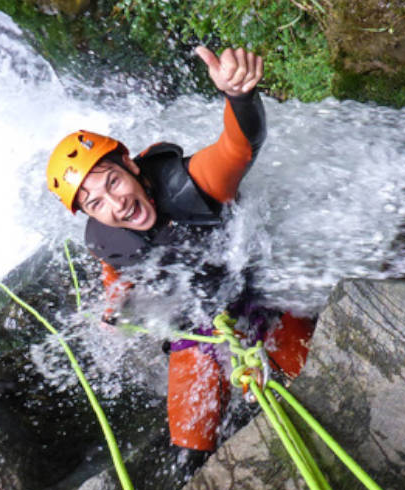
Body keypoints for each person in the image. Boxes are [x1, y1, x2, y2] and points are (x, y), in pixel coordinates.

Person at [46, 46, 311, 451]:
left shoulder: (193, 185)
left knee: (313, 385)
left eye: (113, 182)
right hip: (200, 321)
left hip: (261, 297)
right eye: (95, 202)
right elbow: (117, 265)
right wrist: (113, 305)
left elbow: (238, 148)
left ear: (131, 165)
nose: (115, 204)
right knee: (189, 444)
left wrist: (239, 97)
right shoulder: (104, 236)